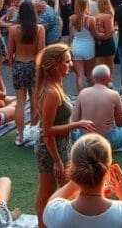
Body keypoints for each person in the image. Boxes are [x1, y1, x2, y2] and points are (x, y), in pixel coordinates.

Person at [34, 44, 96, 227]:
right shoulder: (52, 92)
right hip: (51, 150)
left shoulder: (54, 85)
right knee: (48, 193)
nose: (70, 64)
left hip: (60, 146)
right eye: (67, 61)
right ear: (54, 65)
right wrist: (57, 160)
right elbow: (47, 131)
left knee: (68, 189)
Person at [44, 133, 122, 226]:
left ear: (73, 171)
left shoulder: (56, 212)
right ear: (108, 173)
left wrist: (74, 180)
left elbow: (52, 202)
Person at [7, 0, 45, 146]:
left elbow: (10, 53)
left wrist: (13, 66)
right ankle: (34, 131)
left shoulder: (13, 29)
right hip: (34, 65)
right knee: (35, 99)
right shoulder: (39, 28)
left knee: (20, 102)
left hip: (19, 64)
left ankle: (20, 135)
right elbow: (42, 50)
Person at [71, 64, 122, 148]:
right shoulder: (114, 95)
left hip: (85, 140)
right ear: (109, 77)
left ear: (92, 78)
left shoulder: (83, 93)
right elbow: (121, 123)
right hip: (108, 141)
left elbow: (74, 121)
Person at [69, 0, 97, 95]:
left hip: (76, 46)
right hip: (88, 47)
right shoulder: (90, 19)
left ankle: (81, 97)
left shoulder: (72, 18)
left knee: (80, 75)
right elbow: (95, 34)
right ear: (86, 5)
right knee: (90, 74)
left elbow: (71, 35)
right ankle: (96, 94)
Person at [93, 0, 116, 75]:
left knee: (100, 64)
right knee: (109, 65)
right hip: (107, 42)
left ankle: (101, 81)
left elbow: (108, 34)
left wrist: (97, 35)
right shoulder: (109, 14)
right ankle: (108, 81)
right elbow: (109, 33)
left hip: (101, 42)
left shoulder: (102, 16)